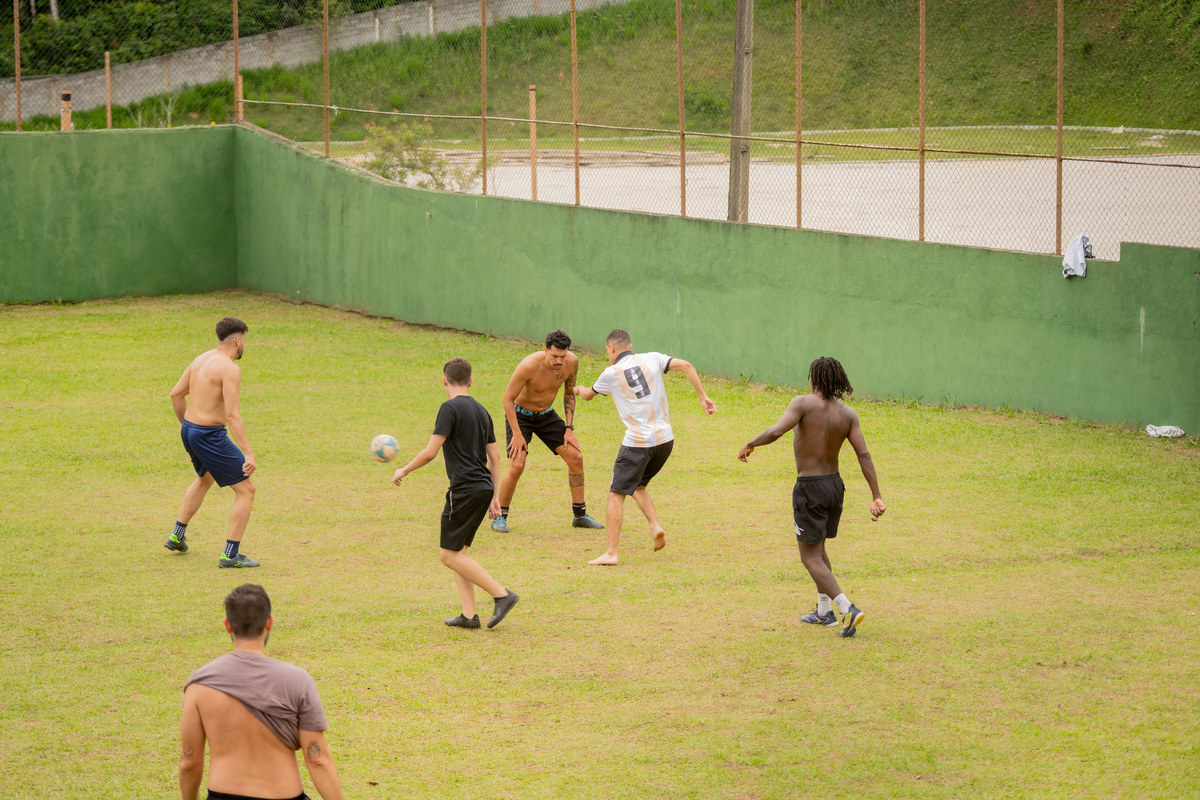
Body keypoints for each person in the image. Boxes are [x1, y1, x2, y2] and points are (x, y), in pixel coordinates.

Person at [736, 356, 886, 638]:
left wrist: (751, 443)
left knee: (809, 557)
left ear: (814, 378)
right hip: (834, 486)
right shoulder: (848, 414)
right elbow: (863, 454)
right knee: (818, 549)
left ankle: (847, 608)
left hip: (810, 487)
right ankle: (823, 611)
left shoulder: (802, 403)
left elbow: (777, 430)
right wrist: (876, 495)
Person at [179, 583, 344, 800]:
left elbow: (189, 763)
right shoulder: (297, 680)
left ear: (228, 625)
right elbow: (317, 759)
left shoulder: (199, 685)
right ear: (270, 623)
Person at [392, 357, 520, 629]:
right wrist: (495, 496)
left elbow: (430, 453)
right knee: (458, 552)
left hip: (463, 489)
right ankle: (469, 615)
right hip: (483, 487)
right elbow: (495, 457)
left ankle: (502, 595)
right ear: (470, 381)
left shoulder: (448, 409)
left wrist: (404, 469)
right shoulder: (482, 410)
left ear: (444, 380)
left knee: (447, 556)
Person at [574, 329, 716, 565]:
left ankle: (611, 553)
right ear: (630, 345)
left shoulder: (610, 373)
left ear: (611, 348)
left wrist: (577, 389)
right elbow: (687, 365)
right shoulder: (652, 358)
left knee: (615, 495)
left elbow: (589, 395)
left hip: (638, 443)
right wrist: (703, 396)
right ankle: (655, 526)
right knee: (638, 485)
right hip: (665, 441)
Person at [164, 316, 260, 568]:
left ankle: (177, 535)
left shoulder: (201, 359)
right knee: (246, 490)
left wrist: (187, 427)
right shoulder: (230, 369)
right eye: (244, 341)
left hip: (190, 430)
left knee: (205, 478)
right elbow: (232, 415)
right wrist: (248, 453)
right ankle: (230, 554)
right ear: (238, 340)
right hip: (209, 435)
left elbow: (176, 394)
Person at [491, 329, 603, 533]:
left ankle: (580, 515)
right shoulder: (528, 366)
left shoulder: (572, 362)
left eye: (563, 356)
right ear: (545, 350)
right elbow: (507, 399)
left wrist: (569, 428)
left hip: (546, 415)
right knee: (516, 465)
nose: (559, 361)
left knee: (576, 457)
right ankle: (499, 517)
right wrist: (517, 434)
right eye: (554, 356)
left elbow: (569, 393)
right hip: (520, 416)